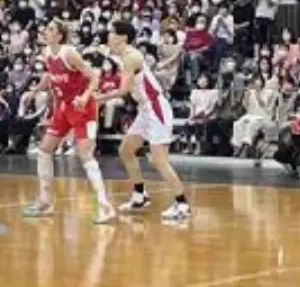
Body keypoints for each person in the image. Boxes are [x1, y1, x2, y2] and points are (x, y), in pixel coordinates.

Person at [22, 20, 114, 224]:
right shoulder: (47, 52)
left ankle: (104, 206)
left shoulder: (69, 53)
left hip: (82, 107)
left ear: (60, 35)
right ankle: (45, 200)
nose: (46, 31)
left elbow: (94, 77)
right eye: (46, 29)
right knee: (44, 150)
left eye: (51, 29)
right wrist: (35, 91)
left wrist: (85, 96)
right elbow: (49, 76)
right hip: (62, 107)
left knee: (86, 156)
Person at [100, 21, 191, 221]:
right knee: (125, 150)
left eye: (112, 33)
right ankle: (139, 195)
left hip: (156, 108)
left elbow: (123, 90)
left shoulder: (131, 57)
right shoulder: (124, 55)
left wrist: (96, 99)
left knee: (159, 160)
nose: (108, 36)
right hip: (145, 109)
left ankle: (182, 204)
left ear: (122, 37)